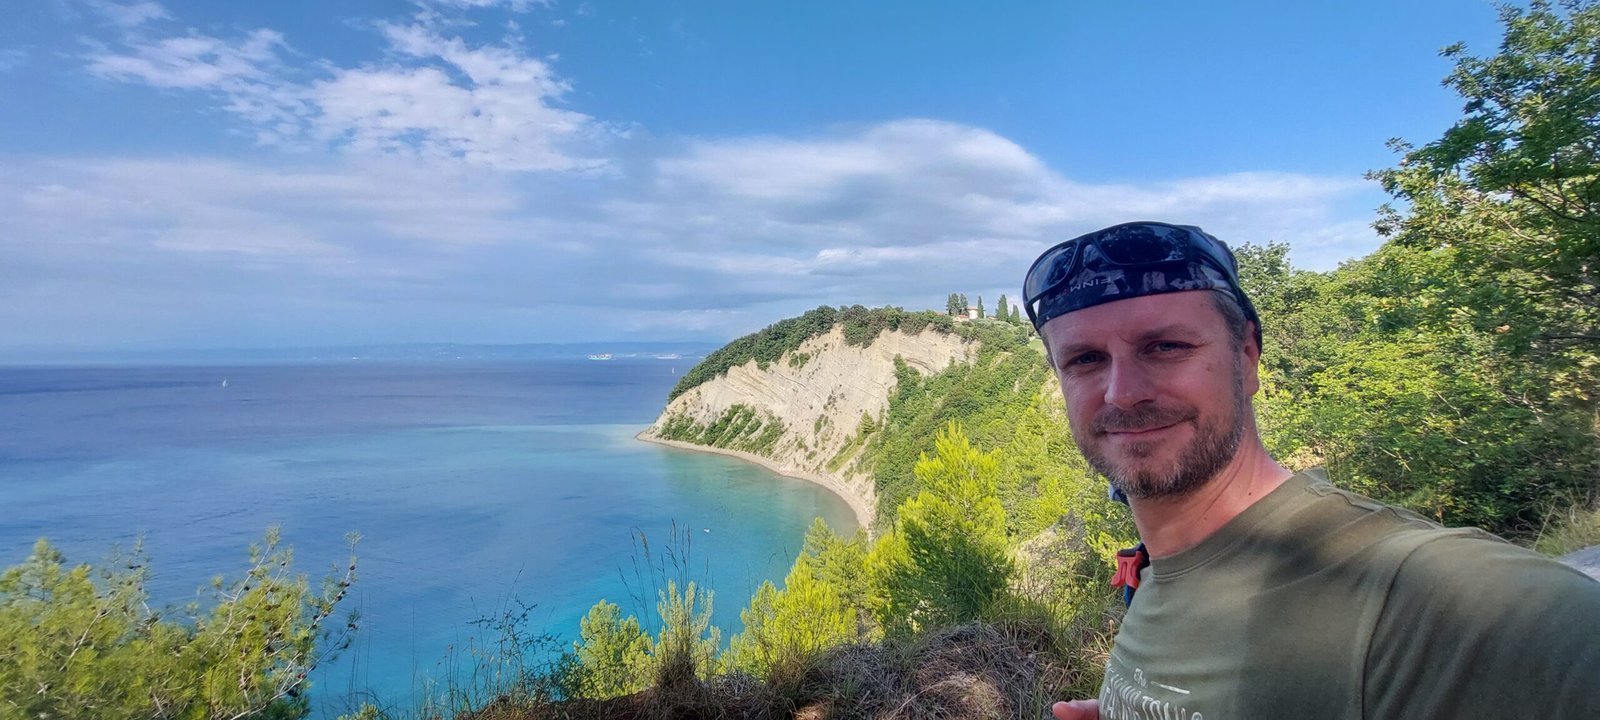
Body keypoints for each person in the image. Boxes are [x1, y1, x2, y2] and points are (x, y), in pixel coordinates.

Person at [1019, 221, 1600, 720]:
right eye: (1086, 359)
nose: (1122, 393)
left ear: (1247, 356)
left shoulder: (1423, 592)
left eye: (1165, 346)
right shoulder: (1158, 574)